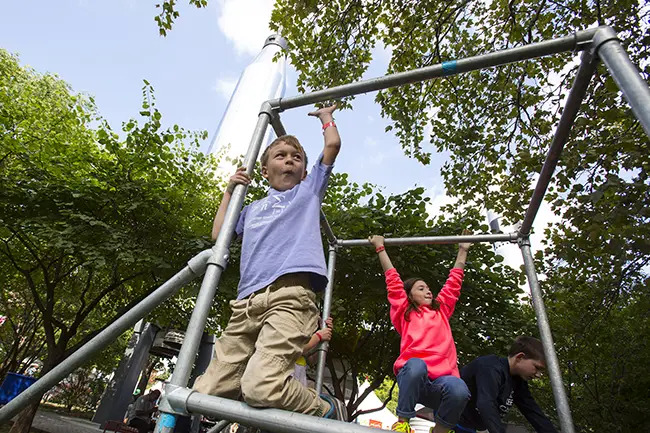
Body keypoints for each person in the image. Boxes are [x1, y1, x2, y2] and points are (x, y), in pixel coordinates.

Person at [193, 104, 346, 421]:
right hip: (246, 304)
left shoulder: (307, 193)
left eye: (296, 157)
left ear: (304, 171)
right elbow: (218, 234)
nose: (290, 160)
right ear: (264, 171)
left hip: (290, 298)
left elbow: (332, 145)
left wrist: (325, 117)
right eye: (281, 155)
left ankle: (326, 408)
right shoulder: (251, 210)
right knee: (206, 393)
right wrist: (229, 192)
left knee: (260, 387)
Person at [368, 234, 472, 433]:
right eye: (421, 288)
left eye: (429, 288)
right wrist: (380, 248)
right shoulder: (405, 313)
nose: (428, 291)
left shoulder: (441, 310)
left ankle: (440, 430)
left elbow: (454, 283)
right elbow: (393, 280)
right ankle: (403, 422)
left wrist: (463, 250)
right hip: (414, 379)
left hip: (441, 384)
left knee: (460, 389)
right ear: (409, 296)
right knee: (416, 364)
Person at [456, 336, 558, 433]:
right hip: (452, 423)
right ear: (520, 357)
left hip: (473, 428)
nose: (539, 375)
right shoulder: (490, 367)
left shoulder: (518, 380)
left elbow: (532, 412)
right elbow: (486, 403)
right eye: (537, 367)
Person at [294, 317, 333, 387]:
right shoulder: (286, 321)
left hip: (298, 379)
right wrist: (318, 337)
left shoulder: (304, 337)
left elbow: (312, 360)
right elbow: (294, 349)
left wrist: (324, 341)